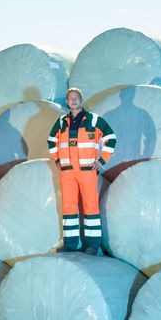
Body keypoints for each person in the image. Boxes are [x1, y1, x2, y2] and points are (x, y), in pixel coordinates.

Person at [48, 88, 116, 254]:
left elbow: (111, 138)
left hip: (87, 171)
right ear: (67, 101)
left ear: (81, 100)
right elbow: (51, 140)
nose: (73, 101)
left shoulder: (94, 120)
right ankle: (70, 244)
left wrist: (102, 160)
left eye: (76, 98)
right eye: (70, 98)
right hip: (67, 172)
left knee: (90, 207)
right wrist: (57, 160)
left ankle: (92, 245)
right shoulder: (61, 122)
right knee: (69, 208)